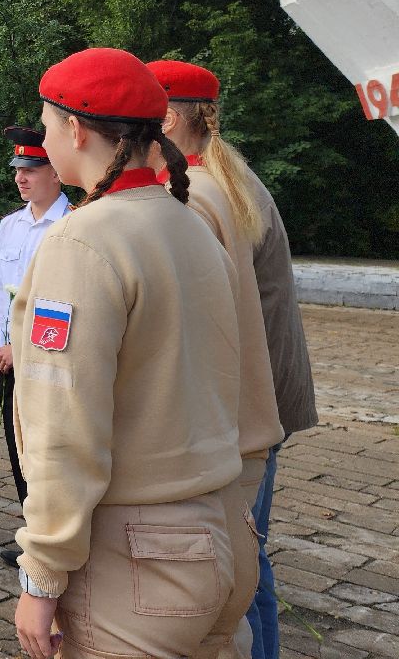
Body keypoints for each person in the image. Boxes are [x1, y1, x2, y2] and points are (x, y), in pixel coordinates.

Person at [9, 48, 256, 659]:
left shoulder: (83, 240)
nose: (42, 138)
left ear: (76, 128)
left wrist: (41, 573)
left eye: (45, 124)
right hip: (224, 529)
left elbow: (66, 426)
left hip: (139, 557)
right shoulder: (189, 224)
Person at [148, 59, 315, 659]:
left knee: (240, 558)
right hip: (265, 394)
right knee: (249, 548)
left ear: (165, 116)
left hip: (244, 403)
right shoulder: (233, 176)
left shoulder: (194, 190)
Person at [0, 126, 68, 567]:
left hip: (46, 359)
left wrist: (24, 349)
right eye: (18, 169)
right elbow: (2, 292)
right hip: (8, 358)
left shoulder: (71, 224)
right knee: (18, 450)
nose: (21, 177)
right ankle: (32, 531)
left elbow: (59, 304)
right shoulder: (10, 226)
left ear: (56, 172)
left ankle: (52, 536)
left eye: (32, 169)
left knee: (48, 450)